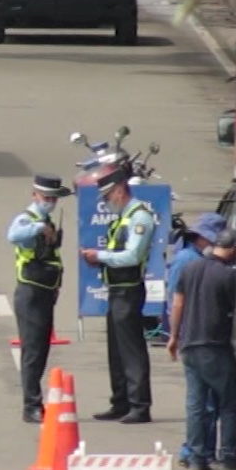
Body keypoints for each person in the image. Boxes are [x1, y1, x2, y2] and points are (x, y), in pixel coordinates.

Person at [166, 214, 236, 470]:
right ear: (232, 250)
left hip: (189, 344)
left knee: (196, 405)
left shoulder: (190, 268)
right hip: (215, 346)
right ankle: (228, 458)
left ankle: (197, 459)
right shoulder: (228, 276)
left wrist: (174, 337)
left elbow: (177, 304)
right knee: (228, 403)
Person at [81, 162, 159, 423]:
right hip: (116, 290)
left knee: (131, 348)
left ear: (120, 190)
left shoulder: (140, 217)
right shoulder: (123, 217)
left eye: (107, 195)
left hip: (129, 290)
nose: (105, 201)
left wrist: (100, 256)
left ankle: (140, 404)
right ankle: (121, 401)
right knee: (116, 349)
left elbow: (133, 255)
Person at [5, 175, 72, 423]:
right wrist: (38, 228)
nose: (50, 202)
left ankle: (36, 402)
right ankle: (31, 405)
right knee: (32, 351)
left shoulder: (48, 221)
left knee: (42, 349)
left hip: (45, 291)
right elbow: (13, 235)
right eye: (46, 198)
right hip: (30, 292)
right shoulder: (28, 219)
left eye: (53, 199)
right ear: (34, 195)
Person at [160, 221, 212, 467]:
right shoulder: (186, 260)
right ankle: (193, 451)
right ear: (200, 238)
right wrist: (175, 333)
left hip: (194, 333)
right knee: (201, 400)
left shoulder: (195, 258)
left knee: (202, 400)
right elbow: (175, 300)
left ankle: (197, 450)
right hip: (194, 335)